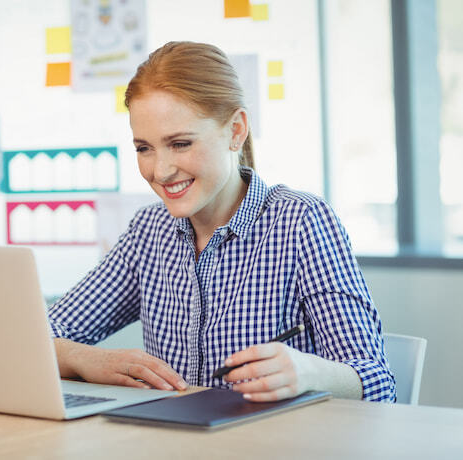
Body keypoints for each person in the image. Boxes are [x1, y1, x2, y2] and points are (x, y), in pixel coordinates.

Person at [48, 41, 396, 402]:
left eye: (180, 143)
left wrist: (310, 372)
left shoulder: (301, 222)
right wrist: (83, 358)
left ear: (236, 130)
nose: (160, 170)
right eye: (144, 148)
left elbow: (379, 383)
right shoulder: (148, 232)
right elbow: (34, 335)